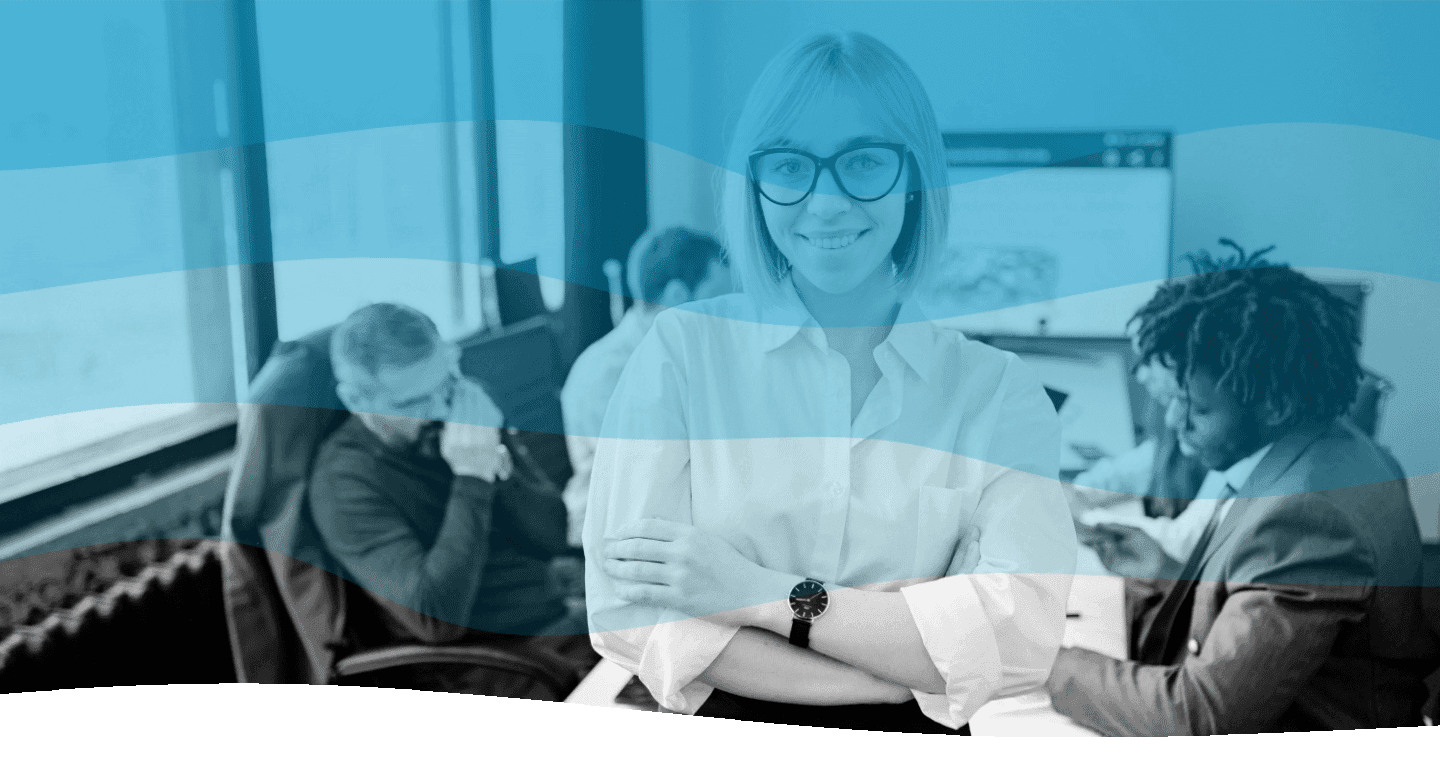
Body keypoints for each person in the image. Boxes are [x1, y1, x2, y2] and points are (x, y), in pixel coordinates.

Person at [583, 32, 1075, 734]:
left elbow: (1015, 636)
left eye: (865, 161)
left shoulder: (996, 393)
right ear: (757, 182)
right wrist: (887, 675)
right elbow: (632, 610)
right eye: (790, 165)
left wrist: (751, 591)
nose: (827, 200)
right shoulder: (681, 355)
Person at [1046, 255, 1439, 734]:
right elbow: (1260, 600)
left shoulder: (1308, 513)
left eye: (1198, 410)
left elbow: (1197, 718)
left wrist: (1040, 659)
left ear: (1274, 404)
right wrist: (1167, 575)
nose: (1174, 424)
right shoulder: (1334, 447)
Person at [309, 303, 589, 656]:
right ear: (355, 400)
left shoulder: (463, 404)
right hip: (493, 659)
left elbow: (552, 535)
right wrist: (472, 477)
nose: (442, 409)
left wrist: (498, 470)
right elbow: (436, 620)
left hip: (553, 609)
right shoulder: (343, 484)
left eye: (446, 384)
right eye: (414, 403)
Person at [561, 227, 729, 547]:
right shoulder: (605, 374)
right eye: (719, 299)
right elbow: (647, 479)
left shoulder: (693, 349)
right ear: (679, 296)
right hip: (617, 531)